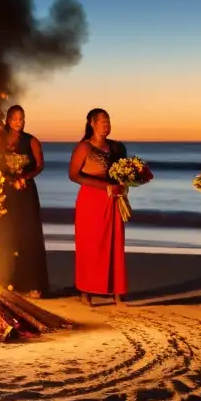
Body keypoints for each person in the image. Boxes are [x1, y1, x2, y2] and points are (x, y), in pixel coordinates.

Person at [69, 108, 128, 306]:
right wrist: (105, 186)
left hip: (113, 200)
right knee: (90, 246)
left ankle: (117, 293)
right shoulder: (84, 147)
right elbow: (74, 175)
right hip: (91, 200)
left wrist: (128, 181)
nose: (106, 124)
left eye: (108, 120)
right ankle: (86, 292)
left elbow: (124, 171)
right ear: (91, 123)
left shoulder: (117, 147)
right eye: (102, 120)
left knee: (115, 244)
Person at [0, 105, 50, 298]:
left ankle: (33, 284)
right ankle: (6, 280)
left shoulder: (32, 141)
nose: (19, 122)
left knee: (28, 235)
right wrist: (7, 180)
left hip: (25, 194)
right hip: (4, 193)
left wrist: (26, 177)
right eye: (15, 119)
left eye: (22, 119)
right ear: (8, 120)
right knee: (5, 235)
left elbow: (40, 165)